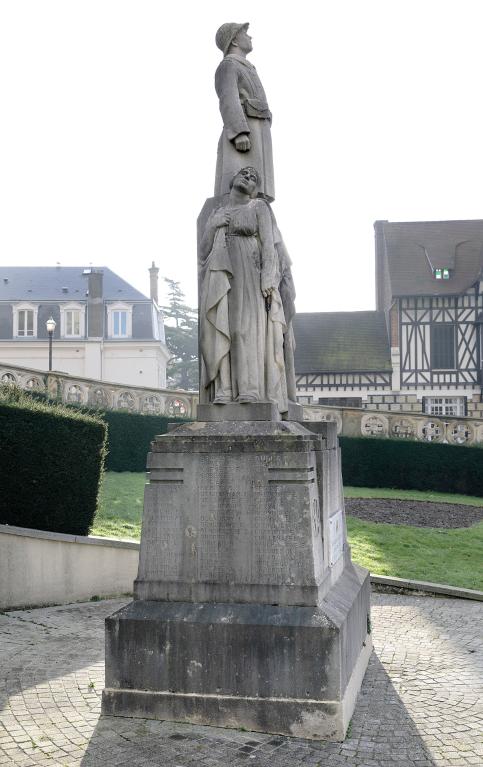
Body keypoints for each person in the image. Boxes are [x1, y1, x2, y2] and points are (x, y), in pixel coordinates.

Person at [199, 167, 289, 411]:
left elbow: (269, 245)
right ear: (233, 179)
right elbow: (203, 252)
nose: (248, 177)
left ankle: (250, 388)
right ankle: (224, 390)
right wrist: (212, 226)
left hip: (250, 271)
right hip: (222, 273)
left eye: (254, 178)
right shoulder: (218, 212)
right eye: (244, 174)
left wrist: (269, 277)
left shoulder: (258, 207)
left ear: (256, 189)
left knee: (246, 330)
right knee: (224, 326)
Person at [214, 22, 275, 202]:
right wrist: (239, 132)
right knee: (241, 182)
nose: (249, 37)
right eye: (244, 33)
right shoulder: (229, 65)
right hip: (245, 130)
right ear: (234, 40)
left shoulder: (247, 67)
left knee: (258, 192)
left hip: (258, 128)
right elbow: (229, 99)